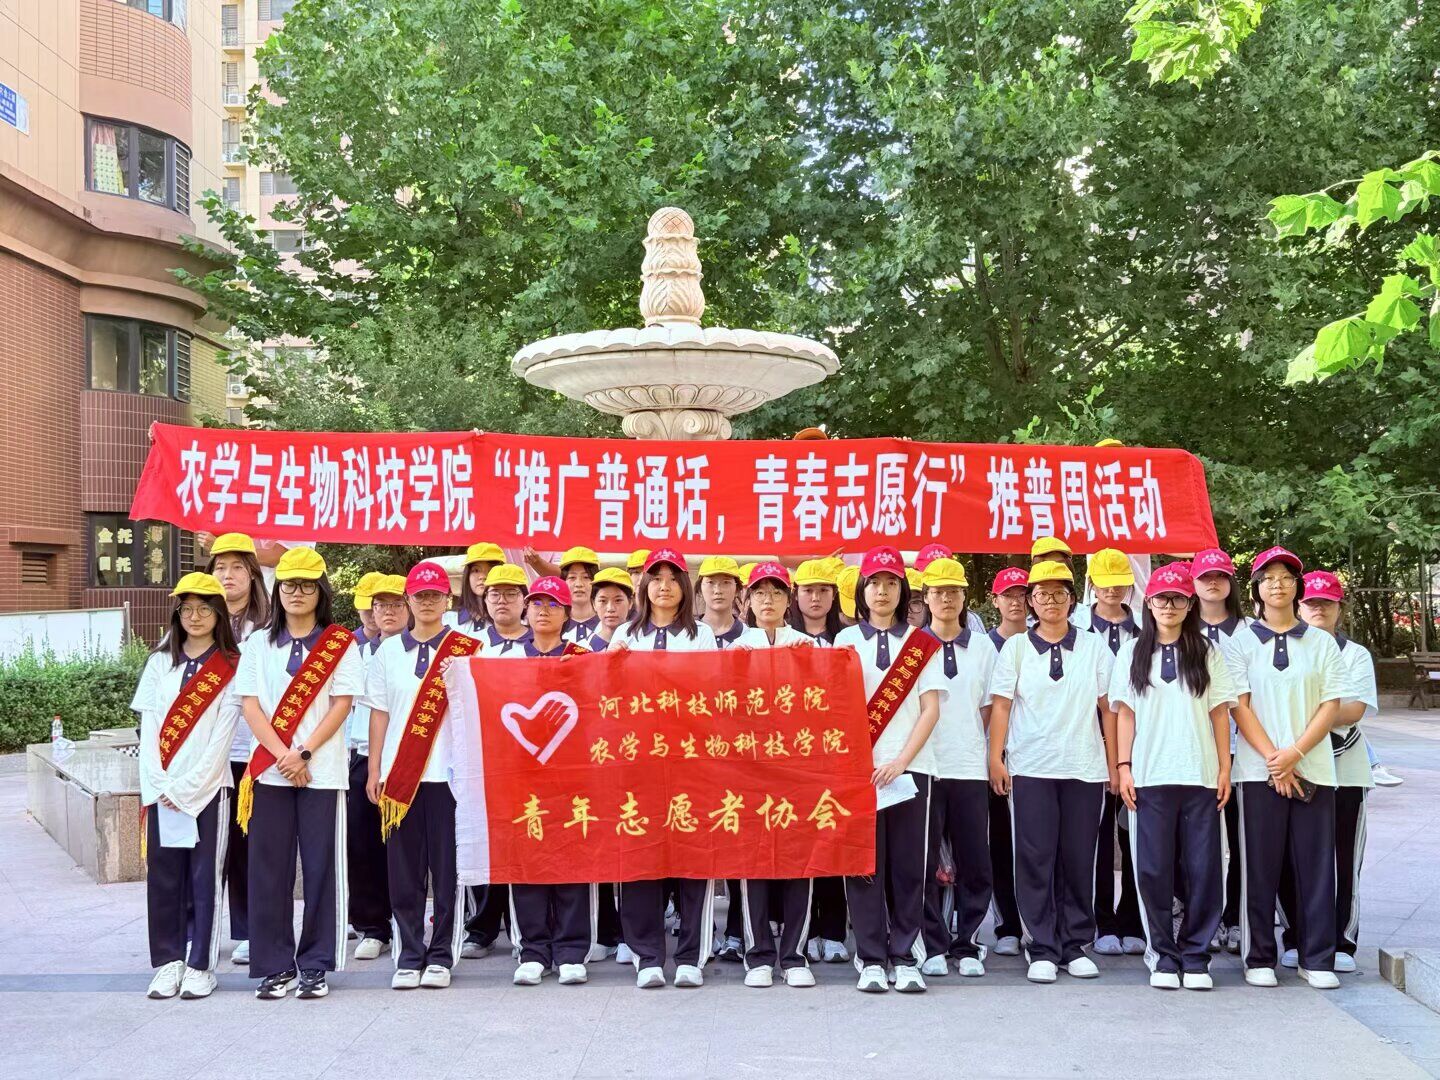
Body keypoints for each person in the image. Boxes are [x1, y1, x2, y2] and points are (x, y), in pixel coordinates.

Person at [235, 547, 364, 1000]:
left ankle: (315, 964)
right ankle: (273, 965)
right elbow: (250, 705)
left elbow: (342, 704)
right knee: (268, 870)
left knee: (321, 868)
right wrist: (282, 756)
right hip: (270, 773)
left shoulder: (341, 643)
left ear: (321, 592)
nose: (297, 593)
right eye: (289, 584)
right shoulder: (257, 644)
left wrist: (304, 752)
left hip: (322, 774)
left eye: (307, 585)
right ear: (277, 591)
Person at [987, 561, 1117, 984]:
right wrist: (996, 758)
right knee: (1035, 858)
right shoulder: (1017, 648)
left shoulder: (1094, 646)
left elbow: (1108, 708)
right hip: (1031, 767)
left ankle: (1074, 944)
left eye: (1060, 593)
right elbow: (1002, 705)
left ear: (1072, 598)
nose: (1051, 601)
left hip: (1084, 767)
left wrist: (1116, 763)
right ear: (1031, 600)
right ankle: (1041, 945)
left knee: (1078, 858)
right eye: (1042, 594)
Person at [1112, 563, 1236, 990]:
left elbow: (1219, 713)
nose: (1169, 605)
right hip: (1150, 775)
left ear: (1190, 604)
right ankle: (1163, 955)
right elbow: (1125, 714)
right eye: (1162, 598)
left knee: (1204, 869)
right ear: (1148, 603)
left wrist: (1224, 767)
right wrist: (1124, 767)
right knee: (1152, 869)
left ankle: (1197, 956)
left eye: (1178, 598)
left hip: (1201, 776)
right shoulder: (1131, 651)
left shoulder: (1207, 651)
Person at [1227, 547, 1345, 990]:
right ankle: (1259, 956)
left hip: (1314, 768)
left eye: (1286, 578)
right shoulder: (1239, 643)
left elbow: (1331, 703)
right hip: (1257, 772)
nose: (1277, 585)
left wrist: (1294, 753)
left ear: (1298, 586)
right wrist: (1275, 761)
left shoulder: (1321, 642)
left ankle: (1316, 957)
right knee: (1259, 866)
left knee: (1316, 867)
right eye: (1268, 578)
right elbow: (1239, 706)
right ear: (1256, 588)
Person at [834, 545, 947, 993]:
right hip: (858, 773)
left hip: (911, 771)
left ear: (903, 591)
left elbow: (930, 709)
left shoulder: (922, 643)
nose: (882, 591)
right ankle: (870, 957)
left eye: (891, 583)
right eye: (874, 583)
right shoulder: (845, 641)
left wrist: (901, 761)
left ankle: (904, 954)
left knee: (909, 867)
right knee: (863, 866)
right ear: (862, 589)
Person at [363, 561, 480, 990]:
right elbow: (379, 714)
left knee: (448, 873)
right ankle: (409, 954)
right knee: (404, 874)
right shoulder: (387, 651)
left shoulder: (468, 650)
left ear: (447, 600)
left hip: (452, 778)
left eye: (435, 595)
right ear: (408, 601)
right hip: (401, 780)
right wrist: (375, 768)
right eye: (419, 595)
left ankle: (442, 956)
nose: (427, 602)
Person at [610, 548, 719, 989]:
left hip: (691, 762)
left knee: (694, 857)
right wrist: (612, 663)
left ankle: (691, 955)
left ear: (686, 587)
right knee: (641, 856)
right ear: (644, 586)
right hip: (638, 763)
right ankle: (647, 956)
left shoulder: (702, 635)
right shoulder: (625, 633)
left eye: (674, 578)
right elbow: (607, 697)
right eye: (656, 578)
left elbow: (711, 693)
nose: (664, 586)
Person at [132, 573, 243, 1000]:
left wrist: (190, 788)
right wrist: (160, 784)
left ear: (219, 615)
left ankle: (200, 965)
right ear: (177, 614)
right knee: (163, 877)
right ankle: (168, 962)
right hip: (162, 790)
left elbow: (222, 738)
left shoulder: (231, 666)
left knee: (204, 878)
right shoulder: (161, 662)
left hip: (209, 790)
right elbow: (149, 728)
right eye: (187, 609)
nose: (195, 617)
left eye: (204, 609)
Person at [491, 576, 597, 985]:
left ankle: (571, 950)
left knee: (573, 860)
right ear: (526, 609)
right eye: (536, 603)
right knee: (526, 861)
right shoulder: (503, 659)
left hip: (573, 777)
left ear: (568, 613)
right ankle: (533, 950)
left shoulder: (584, 658)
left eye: (553, 604)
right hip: (520, 777)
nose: (543, 610)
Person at [1276, 570, 1377, 975]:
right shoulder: (1285, 647)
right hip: (1296, 767)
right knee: (1288, 856)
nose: (1318, 609)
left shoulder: (1355, 654)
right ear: (1299, 605)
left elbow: (1355, 709)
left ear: (1339, 608)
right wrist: (1322, 710)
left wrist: (1308, 710)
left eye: (1326, 603)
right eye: (1311, 602)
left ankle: (1341, 940)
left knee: (1343, 858)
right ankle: (1295, 936)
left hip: (1346, 771)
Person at [731, 562, 827, 988]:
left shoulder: (809, 646)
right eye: (759, 593)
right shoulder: (735, 649)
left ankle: (794, 954)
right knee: (753, 862)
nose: (767, 600)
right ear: (748, 601)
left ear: (789, 601)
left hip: (798, 770)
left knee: (799, 861)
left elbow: (827, 703)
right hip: (750, 771)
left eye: (775, 593)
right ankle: (758, 955)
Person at [917, 558, 996, 979]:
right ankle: (932, 943)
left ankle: (968, 942)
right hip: (925, 766)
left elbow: (989, 707)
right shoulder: (913, 645)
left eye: (954, 591)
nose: (946, 599)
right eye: (938, 592)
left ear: (965, 597)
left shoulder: (984, 648)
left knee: (974, 860)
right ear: (926, 597)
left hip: (969, 766)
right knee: (925, 859)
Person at [1076, 549, 1146, 958]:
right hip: (1090, 747)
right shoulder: (1076, 628)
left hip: (1139, 748)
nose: (1113, 589)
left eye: (1120, 581)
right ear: (1092, 584)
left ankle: (1132, 919)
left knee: (1134, 834)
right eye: (1105, 582)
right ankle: (1102, 920)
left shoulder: (1147, 629)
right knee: (1098, 839)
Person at [204, 532, 269, 966]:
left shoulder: (268, 625)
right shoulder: (197, 621)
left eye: (236, 567)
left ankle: (248, 929)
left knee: (249, 845)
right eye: (220, 568)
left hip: (253, 750)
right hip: (210, 753)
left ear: (253, 574)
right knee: (210, 847)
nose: (227, 576)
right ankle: (202, 930)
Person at [1191, 546, 1251, 954]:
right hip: (1195, 750)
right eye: (1205, 576)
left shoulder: (1250, 631)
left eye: (1220, 576)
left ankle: (1235, 917)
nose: (1213, 582)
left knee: (1241, 840)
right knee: (1200, 843)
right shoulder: (1179, 627)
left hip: (1242, 750)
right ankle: (1200, 917)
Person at [789, 558, 849, 963]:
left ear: (834, 596)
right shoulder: (783, 639)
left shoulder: (848, 640)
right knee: (803, 846)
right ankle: (806, 930)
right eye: (808, 590)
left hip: (838, 757)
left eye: (823, 590)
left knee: (835, 842)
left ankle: (834, 931)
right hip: (794, 759)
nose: (815, 598)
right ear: (797, 596)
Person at [346, 573, 407, 963]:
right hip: (364, 757)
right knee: (363, 845)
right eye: (380, 605)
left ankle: (407, 924)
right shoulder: (353, 651)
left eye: (396, 604)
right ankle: (373, 926)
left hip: (411, 758)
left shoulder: (422, 650)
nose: (386, 612)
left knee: (406, 850)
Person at [984, 566, 1031, 958]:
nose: (1016, 602)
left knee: (1034, 846)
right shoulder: (985, 647)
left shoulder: (1042, 641)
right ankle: (1008, 925)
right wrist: (991, 755)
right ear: (995, 600)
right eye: (1008, 595)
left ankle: (1038, 922)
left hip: (1033, 758)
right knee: (1000, 844)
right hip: (992, 759)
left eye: (1022, 594)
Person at [451, 541, 504, 631]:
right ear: (467, 575)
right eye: (476, 570)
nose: (482, 576)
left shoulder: (512, 621)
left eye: (491, 570)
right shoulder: (448, 621)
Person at [698, 555, 747, 647]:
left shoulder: (748, 635)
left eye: (726, 582)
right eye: (710, 582)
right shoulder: (687, 634)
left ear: (737, 590)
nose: (718, 591)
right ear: (700, 589)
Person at [559, 546, 602, 644]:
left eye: (586, 577)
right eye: (572, 577)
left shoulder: (608, 625)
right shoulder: (553, 627)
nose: (579, 584)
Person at [588, 567, 635, 651]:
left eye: (618, 600)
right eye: (603, 601)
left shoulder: (640, 643)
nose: (610, 608)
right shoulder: (584, 648)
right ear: (594, 604)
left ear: (630, 602)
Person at [352, 572, 384, 647]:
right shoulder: (347, 644)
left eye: (380, 607)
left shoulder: (402, 642)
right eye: (367, 609)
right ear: (358, 608)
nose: (374, 615)